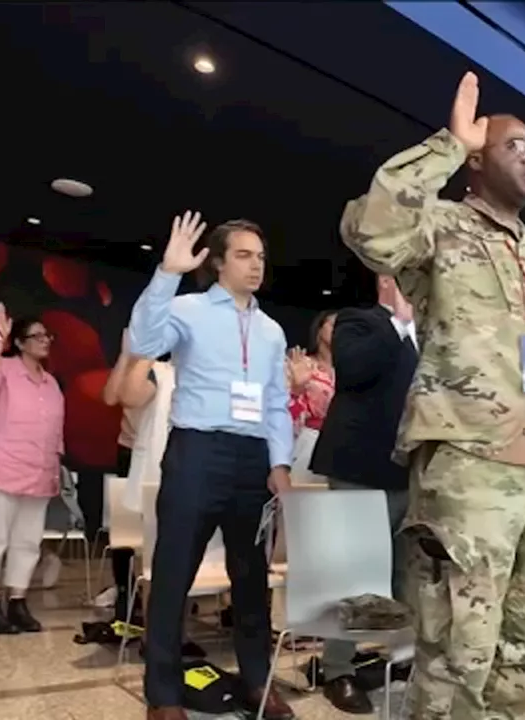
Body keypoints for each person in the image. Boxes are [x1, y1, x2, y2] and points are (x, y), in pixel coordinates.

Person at [340, 72, 525, 719]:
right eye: (515, 146)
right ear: (476, 158)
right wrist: (446, 142)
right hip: (468, 469)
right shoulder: (438, 226)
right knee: (456, 655)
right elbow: (370, 230)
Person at [129, 212, 295, 720]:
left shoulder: (270, 330)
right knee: (174, 574)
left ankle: (256, 680)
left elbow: (275, 403)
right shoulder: (188, 308)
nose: (255, 265)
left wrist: (280, 463)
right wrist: (167, 273)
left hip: (252, 460)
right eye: (243, 255)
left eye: (261, 256)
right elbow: (141, 341)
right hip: (197, 451)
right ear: (218, 264)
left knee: (251, 580)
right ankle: (163, 693)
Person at [310, 269, 419, 714]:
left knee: (405, 574)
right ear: (386, 282)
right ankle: (336, 669)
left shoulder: (425, 335)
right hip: (359, 466)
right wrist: (397, 322)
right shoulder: (360, 321)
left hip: (406, 472)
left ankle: (403, 657)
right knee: (353, 575)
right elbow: (353, 369)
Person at [0, 307, 63, 635]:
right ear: (19, 343)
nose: (45, 340)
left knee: (28, 541)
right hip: (0, 465)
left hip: (39, 472)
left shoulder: (51, 382)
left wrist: (55, 464)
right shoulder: (2, 368)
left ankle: (18, 601)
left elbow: (56, 430)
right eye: (37, 336)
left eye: (48, 335)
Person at [100, 330, 175, 626]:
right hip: (137, 454)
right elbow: (114, 397)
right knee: (133, 538)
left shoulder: (173, 372)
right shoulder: (151, 370)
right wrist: (128, 355)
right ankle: (126, 594)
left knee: (161, 544)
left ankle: (164, 610)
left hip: (169, 459)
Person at [285, 310, 337, 485]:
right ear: (319, 330)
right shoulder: (301, 364)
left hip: (342, 443)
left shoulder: (353, 368)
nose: (339, 329)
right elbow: (283, 406)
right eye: (333, 324)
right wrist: (297, 387)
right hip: (308, 440)